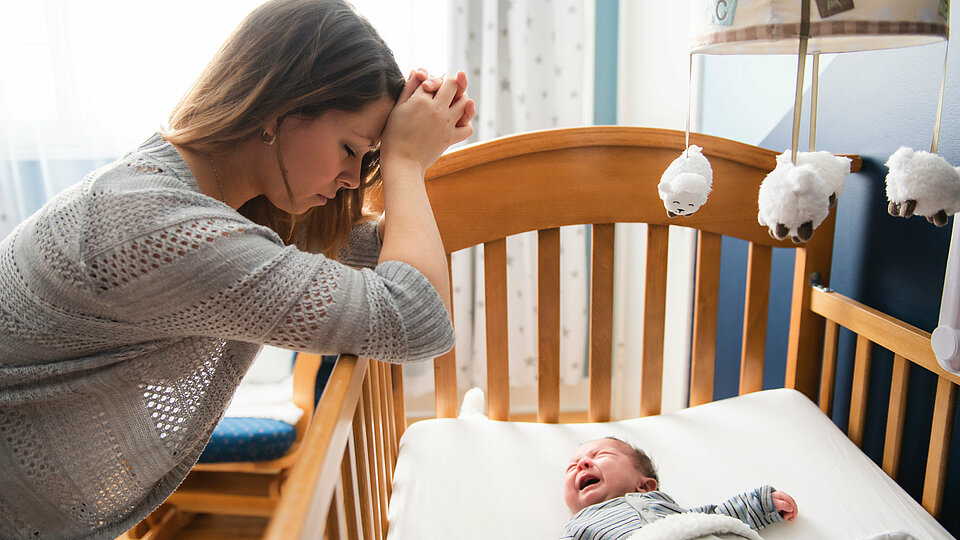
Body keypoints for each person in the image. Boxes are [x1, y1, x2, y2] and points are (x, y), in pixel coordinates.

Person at [0, 0, 475, 537]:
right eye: (349, 149)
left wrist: (405, 145)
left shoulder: (211, 193)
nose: (352, 178)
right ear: (281, 109)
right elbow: (419, 319)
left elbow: (378, 253)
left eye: (364, 160)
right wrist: (405, 163)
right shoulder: (164, 229)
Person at [561, 437, 798, 539]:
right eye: (572, 467)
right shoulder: (580, 525)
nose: (581, 464)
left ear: (644, 486)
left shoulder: (667, 509)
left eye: (600, 455)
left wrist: (762, 504)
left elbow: (718, 517)